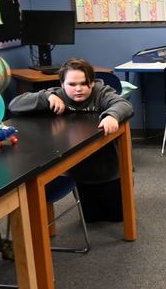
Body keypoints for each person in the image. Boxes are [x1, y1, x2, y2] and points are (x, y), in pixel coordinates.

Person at [8, 59, 133, 222]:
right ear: (62, 84)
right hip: (80, 171)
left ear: (92, 83)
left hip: (109, 167)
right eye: (72, 84)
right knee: (91, 219)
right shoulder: (57, 94)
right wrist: (47, 97)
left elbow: (123, 104)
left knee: (118, 217)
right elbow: (14, 105)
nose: (78, 89)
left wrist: (112, 116)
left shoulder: (101, 92)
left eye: (84, 83)